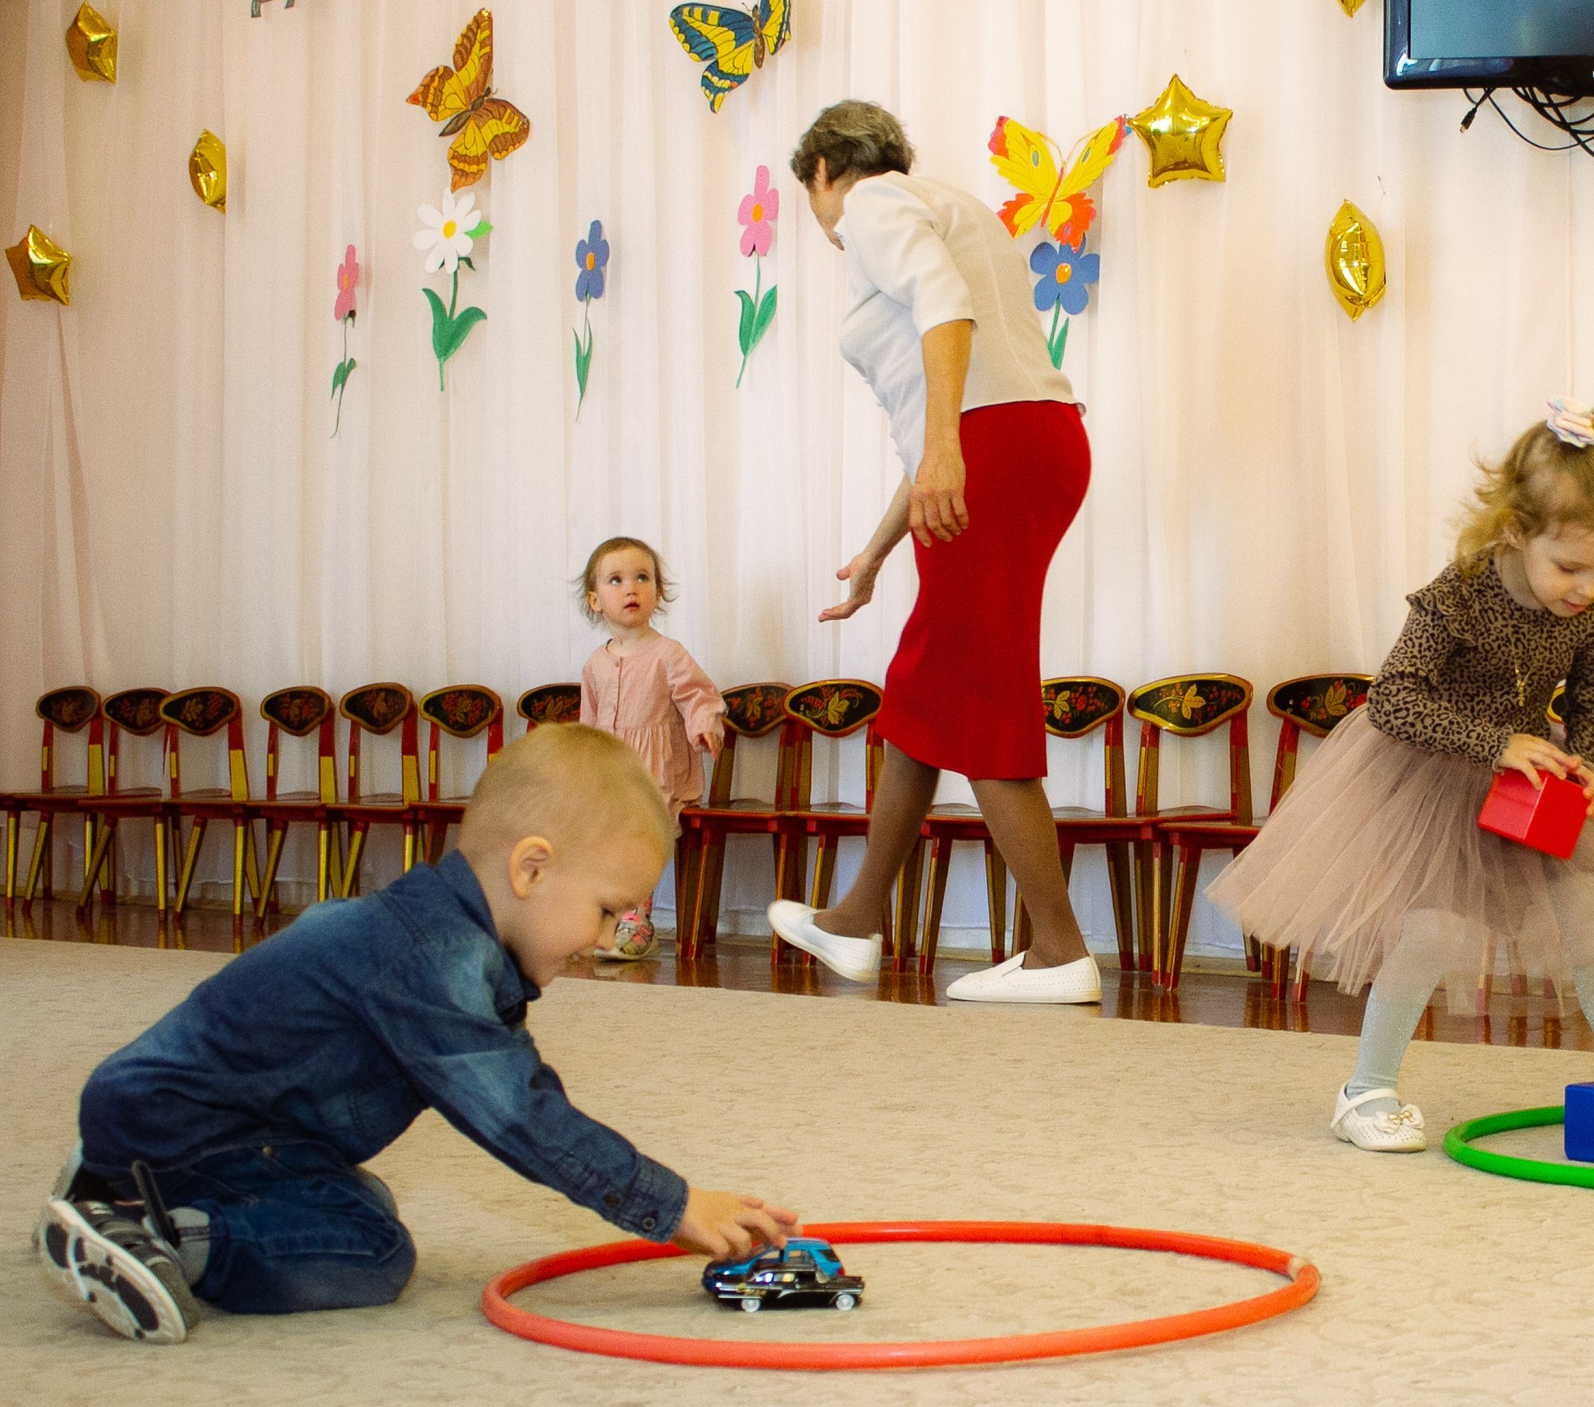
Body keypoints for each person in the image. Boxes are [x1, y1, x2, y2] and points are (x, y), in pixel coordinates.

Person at [32, 724, 799, 1343]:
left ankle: (122, 1179)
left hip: (208, 1119)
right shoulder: (431, 960)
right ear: (532, 868)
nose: (609, 937)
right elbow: (521, 1114)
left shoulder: (446, 942)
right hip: (186, 1124)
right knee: (370, 1250)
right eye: (608, 908)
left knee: (358, 1204)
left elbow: (520, 1084)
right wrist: (672, 1203)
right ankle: (147, 1225)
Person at [1206, 401, 1594, 1153]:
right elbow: (1394, 699)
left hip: (1528, 788)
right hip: (1432, 777)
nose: (1591, 587)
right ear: (1516, 528)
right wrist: (1495, 742)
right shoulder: (1460, 595)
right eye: (1572, 566)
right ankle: (1365, 1089)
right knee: (1433, 931)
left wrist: (1589, 763)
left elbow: (1591, 707)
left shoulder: (1586, 615)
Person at [766, 99, 1099, 1004]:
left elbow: (947, 322)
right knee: (930, 680)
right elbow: (934, 419)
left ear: (824, 171)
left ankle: (1059, 950)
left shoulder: (873, 204)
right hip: (1028, 442)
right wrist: (883, 546)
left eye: (811, 191)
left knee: (978, 682)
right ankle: (855, 922)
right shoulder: (947, 207)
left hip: (994, 447)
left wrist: (949, 451)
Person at [575, 535, 725, 956]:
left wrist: (704, 726)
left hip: (656, 770)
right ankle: (601, 915)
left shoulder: (668, 654)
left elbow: (700, 696)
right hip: (610, 771)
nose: (631, 589)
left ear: (657, 593)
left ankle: (637, 918)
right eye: (616, 580)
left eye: (643, 578)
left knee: (640, 836)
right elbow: (588, 722)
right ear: (595, 599)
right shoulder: (595, 663)